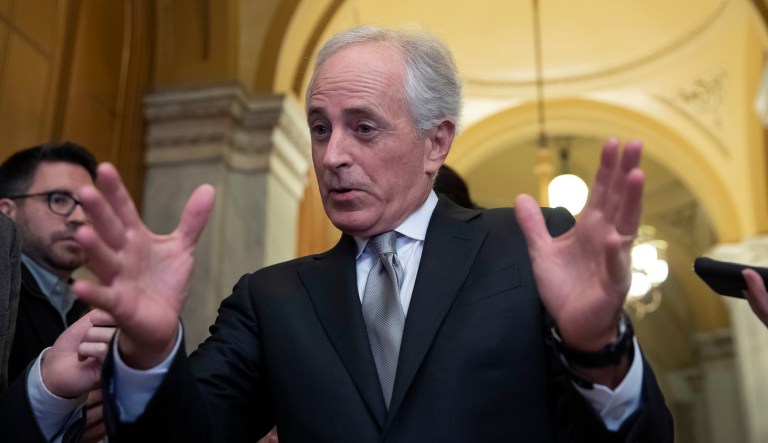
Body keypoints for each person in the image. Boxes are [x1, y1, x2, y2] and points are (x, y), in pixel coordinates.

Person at [72, 26, 673, 441]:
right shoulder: (271, 300)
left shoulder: (525, 247)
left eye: (363, 128)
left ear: (436, 142)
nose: (332, 155)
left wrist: (598, 349)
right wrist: (150, 353)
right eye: (320, 128)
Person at [0, 142, 107, 442]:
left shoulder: (91, 304)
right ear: (7, 211)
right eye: (58, 199)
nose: (79, 218)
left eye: (87, 205)